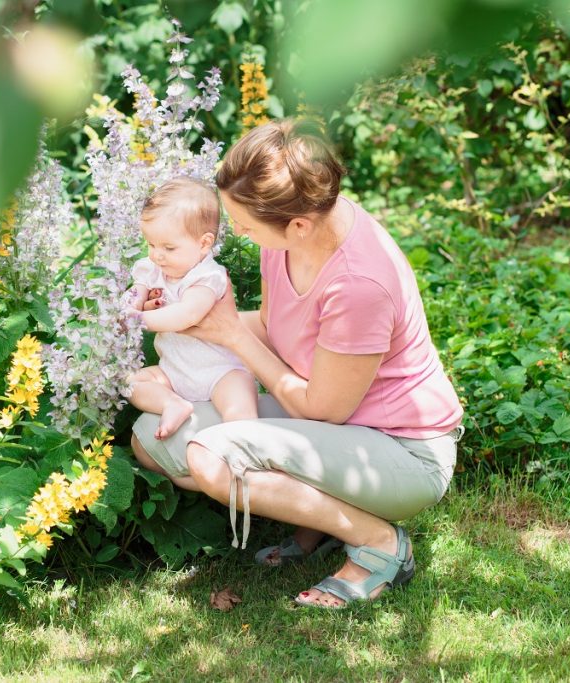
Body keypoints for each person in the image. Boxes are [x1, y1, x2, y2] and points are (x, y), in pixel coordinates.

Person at [130, 119, 464, 609]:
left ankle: (379, 541)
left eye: (243, 225)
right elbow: (274, 326)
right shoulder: (290, 235)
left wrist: (231, 337)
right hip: (335, 427)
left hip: (401, 450)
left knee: (211, 458)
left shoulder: (358, 285)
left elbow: (321, 409)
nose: (236, 234)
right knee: (152, 437)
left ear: (299, 224)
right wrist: (184, 320)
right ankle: (321, 521)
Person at [125, 177, 258, 441]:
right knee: (130, 383)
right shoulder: (154, 268)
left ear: (204, 243)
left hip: (219, 371)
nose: (157, 255)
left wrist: (139, 319)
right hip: (174, 372)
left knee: (239, 407)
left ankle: (246, 450)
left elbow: (187, 315)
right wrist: (130, 305)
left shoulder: (207, 277)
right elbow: (136, 293)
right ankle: (171, 404)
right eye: (151, 244)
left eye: (168, 247)